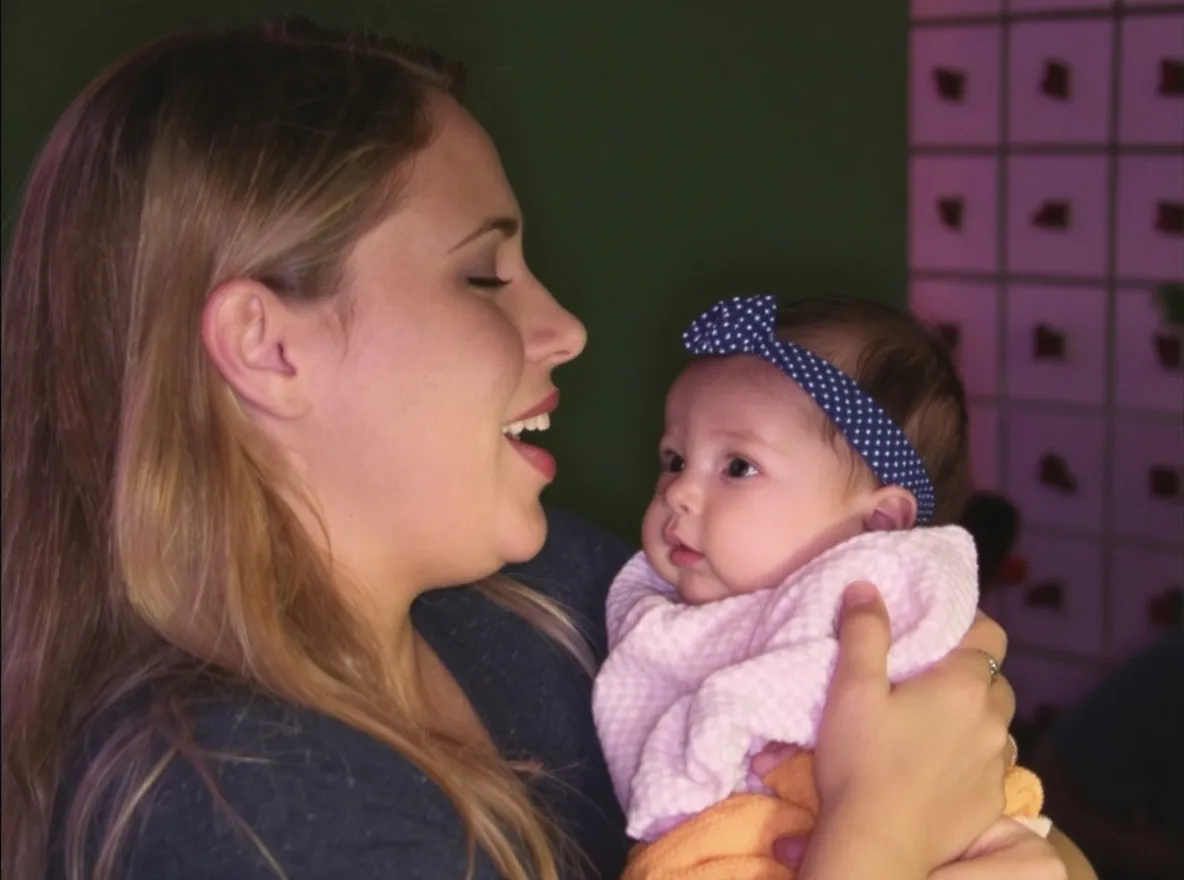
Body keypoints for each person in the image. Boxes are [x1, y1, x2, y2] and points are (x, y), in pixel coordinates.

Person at [0, 16, 1089, 880]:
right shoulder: (231, 805)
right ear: (265, 345)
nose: (563, 328)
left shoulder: (555, 596)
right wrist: (876, 840)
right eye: (482, 275)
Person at [593, 295, 1048, 879]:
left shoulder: (872, 596)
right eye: (674, 458)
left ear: (879, 524)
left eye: (737, 467)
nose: (676, 492)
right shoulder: (651, 598)